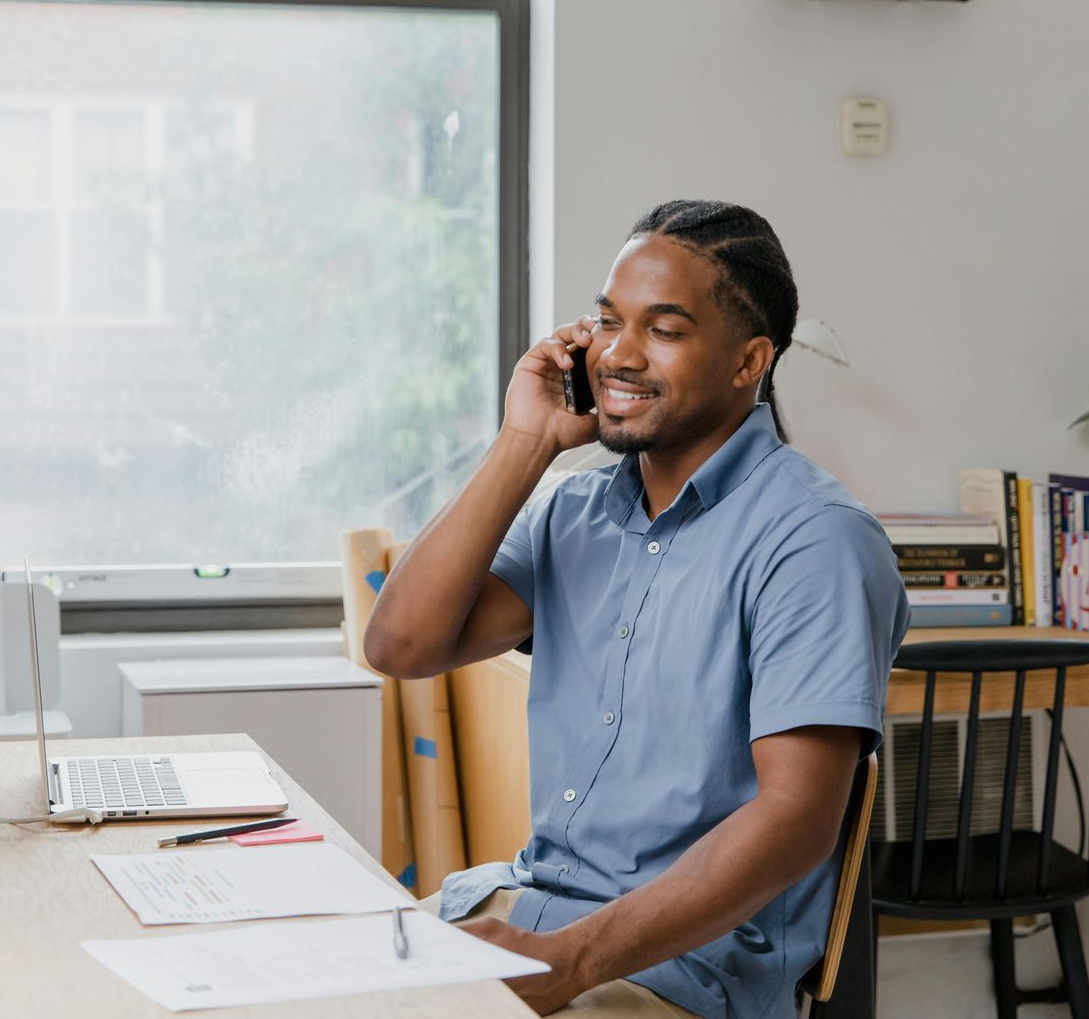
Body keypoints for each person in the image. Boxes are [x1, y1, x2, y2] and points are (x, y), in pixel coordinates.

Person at [365, 199, 910, 1018]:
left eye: (665, 329)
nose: (618, 354)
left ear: (748, 361)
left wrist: (568, 961)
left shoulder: (815, 541)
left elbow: (797, 818)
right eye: (607, 321)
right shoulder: (573, 512)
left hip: (680, 970)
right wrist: (526, 440)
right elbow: (401, 643)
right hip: (525, 911)